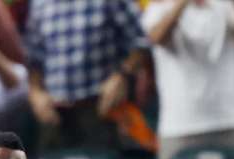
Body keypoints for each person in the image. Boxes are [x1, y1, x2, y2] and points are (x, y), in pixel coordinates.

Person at [142, 0, 234, 159]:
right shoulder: (158, 8)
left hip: (230, 122)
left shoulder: (224, 5)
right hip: (179, 128)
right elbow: (156, 37)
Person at [24, 0, 148, 150]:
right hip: (54, 114)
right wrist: (36, 93)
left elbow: (142, 43)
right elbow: (33, 58)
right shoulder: (40, 4)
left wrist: (122, 75)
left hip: (102, 110)